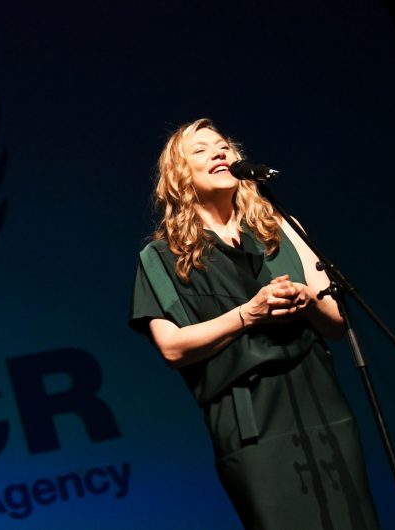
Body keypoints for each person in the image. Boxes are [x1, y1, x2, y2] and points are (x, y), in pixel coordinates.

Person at [129, 118, 380, 529]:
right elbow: (172, 348)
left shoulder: (282, 228)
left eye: (223, 146)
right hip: (251, 425)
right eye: (201, 150)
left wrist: (307, 298)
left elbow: (336, 323)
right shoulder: (161, 257)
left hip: (322, 404)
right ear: (179, 176)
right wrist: (249, 313)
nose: (219, 153)